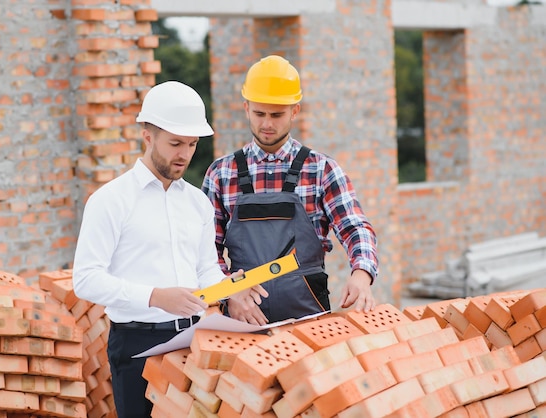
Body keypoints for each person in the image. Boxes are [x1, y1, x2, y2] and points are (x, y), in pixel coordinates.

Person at [72, 81, 247, 418]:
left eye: (192, 144)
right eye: (175, 143)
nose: (184, 154)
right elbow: (86, 279)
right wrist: (155, 296)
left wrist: (232, 289)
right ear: (147, 135)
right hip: (136, 344)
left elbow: (206, 269)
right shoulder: (110, 201)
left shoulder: (197, 202)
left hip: (194, 343)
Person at [201, 55, 378, 326]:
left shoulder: (321, 169)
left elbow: (355, 228)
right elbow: (204, 250)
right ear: (246, 108)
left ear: (295, 111)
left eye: (277, 115)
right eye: (259, 114)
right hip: (241, 321)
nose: (267, 124)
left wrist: (362, 274)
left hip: (310, 320)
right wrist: (228, 293)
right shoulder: (221, 174)